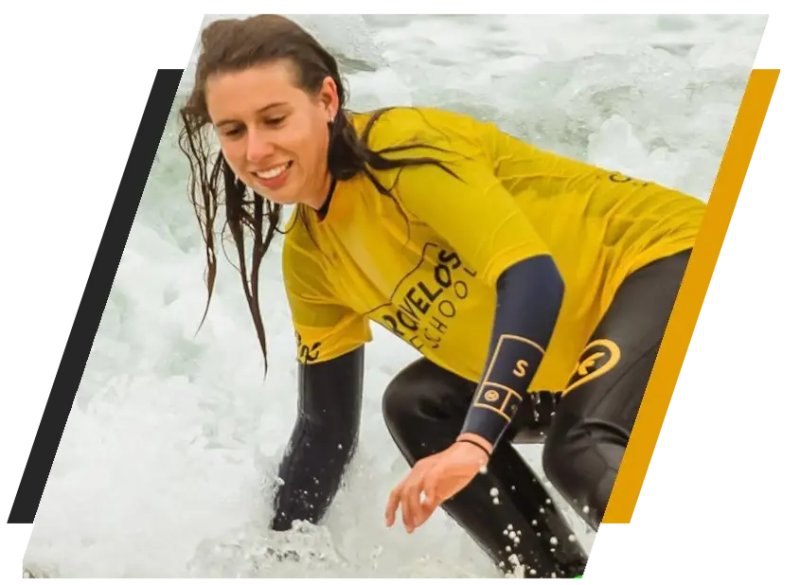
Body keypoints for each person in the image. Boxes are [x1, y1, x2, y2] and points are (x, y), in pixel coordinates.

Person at [177, 13, 705, 580]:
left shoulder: (402, 152)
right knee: (420, 406)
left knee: (578, 447)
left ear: (326, 99)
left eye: (274, 119)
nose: (256, 149)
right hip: (589, 360)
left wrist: (476, 442)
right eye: (233, 131)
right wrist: (274, 558)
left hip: (676, 260)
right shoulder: (312, 259)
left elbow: (533, 280)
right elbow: (323, 435)